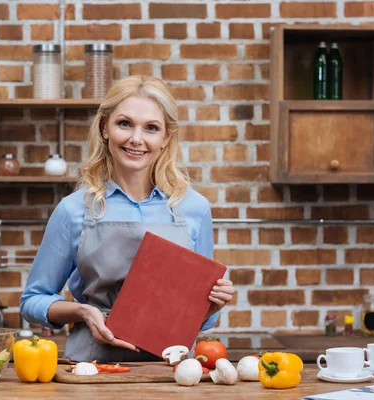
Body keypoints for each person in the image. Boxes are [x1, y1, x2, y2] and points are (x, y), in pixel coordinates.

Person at [20, 75, 235, 362]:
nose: (136, 138)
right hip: (94, 367)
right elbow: (32, 301)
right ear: (104, 128)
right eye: (125, 123)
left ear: (165, 137)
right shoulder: (73, 210)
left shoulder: (195, 208)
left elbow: (202, 324)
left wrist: (211, 306)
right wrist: (82, 311)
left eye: (151, 128)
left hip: (172, 374)